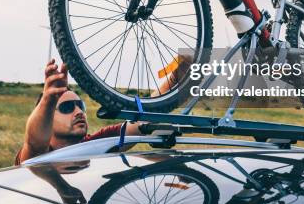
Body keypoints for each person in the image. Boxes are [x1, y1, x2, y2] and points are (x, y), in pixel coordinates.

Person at [15, 58, 186, 165]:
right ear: (48, 119)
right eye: (67, 108)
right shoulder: (37, 155)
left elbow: (142, 120)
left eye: (79, 105)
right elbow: (34, 141)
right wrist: (48, 100)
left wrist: (176, 77)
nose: (78, 112)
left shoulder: (95, 145)